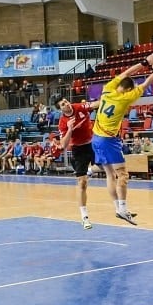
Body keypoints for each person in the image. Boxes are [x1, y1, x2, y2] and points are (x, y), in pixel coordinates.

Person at [92, 52, 153, 225]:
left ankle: (118, 208)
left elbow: (126, 74)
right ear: (127, 90)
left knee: (110, 175)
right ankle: (123, 209)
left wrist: (144, 62)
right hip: (108, 140)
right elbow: (147, 83)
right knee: (123, 175)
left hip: (96, 137)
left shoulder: (107, 89)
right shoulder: (125, 98)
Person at [57, 96, 99, 229]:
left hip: (92, 143)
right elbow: (63, 144)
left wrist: (107, 99)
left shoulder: (79, 107)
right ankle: (84, 217)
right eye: (63, 104)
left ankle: (90, 170)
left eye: (66, 101)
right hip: (78, 149)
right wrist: (70, 128)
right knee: (82, 183)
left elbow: (94, 105)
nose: (67, 104)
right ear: (60, 109)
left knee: (106, 166)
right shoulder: (63, 122)